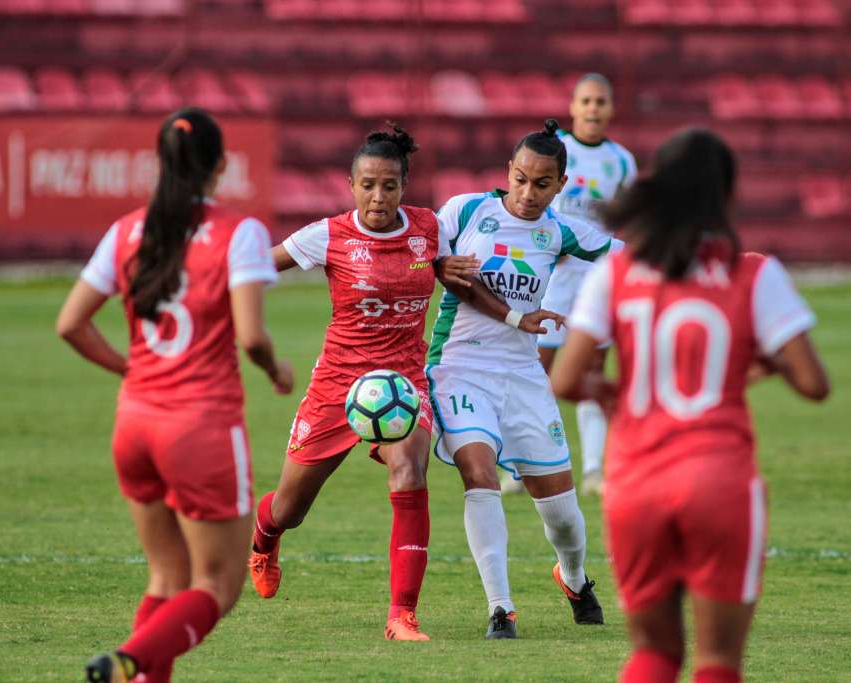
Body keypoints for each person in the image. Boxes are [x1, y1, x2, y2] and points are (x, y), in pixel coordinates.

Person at [550, 128, 830, 683]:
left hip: (636, 483)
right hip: (719, 481)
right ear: (725, 196)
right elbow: (813, 383)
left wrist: (606, 392)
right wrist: (763, 362)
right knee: (718, 663)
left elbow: (564, 377)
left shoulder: (618, 271)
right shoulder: (753, 273)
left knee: (653, 656)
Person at [57, 107, 293, 683]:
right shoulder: (240, 234)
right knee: (217, 584)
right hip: (201, 427)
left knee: (165, 579)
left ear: (160, 162)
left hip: (134, 421)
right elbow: (251, 336)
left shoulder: (127, 231)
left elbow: (69, 323)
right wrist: (274, 369)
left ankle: (136, 666)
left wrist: (129, 368)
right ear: (220, 166)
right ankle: (130, 659)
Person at [246, 124, 502, 641]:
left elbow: (453, 273)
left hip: (404, 384)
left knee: (409, 471)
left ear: (404, 185)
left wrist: (483, 294)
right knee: (291, 509)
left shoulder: (430, 228)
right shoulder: (330, 234)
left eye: (388, 185)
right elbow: (255, 266)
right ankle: (265, 536)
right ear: (350, 183)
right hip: (337, 387)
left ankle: (401, 615)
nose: (377, 196)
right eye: (367, 185)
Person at [428, 118, 620, 639]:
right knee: (480, 475)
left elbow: (636, 257)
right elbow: (419, 252)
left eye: (542, 184)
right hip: (459, 367)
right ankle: (500, 608)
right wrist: (438, 263)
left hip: (522, 374)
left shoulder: (560, 230)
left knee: (561, 513)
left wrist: (728, 263)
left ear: (561, 186)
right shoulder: (465, 210)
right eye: (520, 178)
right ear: (508, 172)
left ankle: (575, 578)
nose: (527, 192)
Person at [501, 73, 639, 498]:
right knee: (538, 371)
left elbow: (627, 218)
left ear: (610, 108)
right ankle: (524, 467)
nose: (593, 108)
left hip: (597, 279)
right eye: (586, 101)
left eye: (601, 101)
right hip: (553, 279)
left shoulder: (622, 161)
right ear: (574, 107)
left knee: (593, 370)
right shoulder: (554, 150)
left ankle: (596, 469)